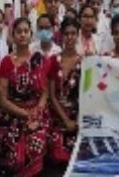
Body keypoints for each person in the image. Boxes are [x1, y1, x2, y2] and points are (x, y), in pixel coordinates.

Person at [0, 18, 49, 176]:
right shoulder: (6, 62)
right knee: (15, 157)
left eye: (26, 31)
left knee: (34, 143)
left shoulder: (39, 59)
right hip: (12, 114)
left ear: (31, 35)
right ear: (12, 36)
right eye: (19, 31)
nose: (22, 35)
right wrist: (25, 114)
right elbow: (2, 100)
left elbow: (45, 91)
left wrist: (38, 110)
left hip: (37, 113)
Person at [47, 18, 82, 165]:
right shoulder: (54, 60)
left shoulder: (84, 61)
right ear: (61, 35)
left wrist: (76, 120)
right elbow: (51, 94)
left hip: (76, 115)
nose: (70, 37)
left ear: (78, 35)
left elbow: (87, 95)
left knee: (77, 151)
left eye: (73, 33)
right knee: (55, 151)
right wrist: (64, 119)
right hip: (56, 113)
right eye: (66, 33)